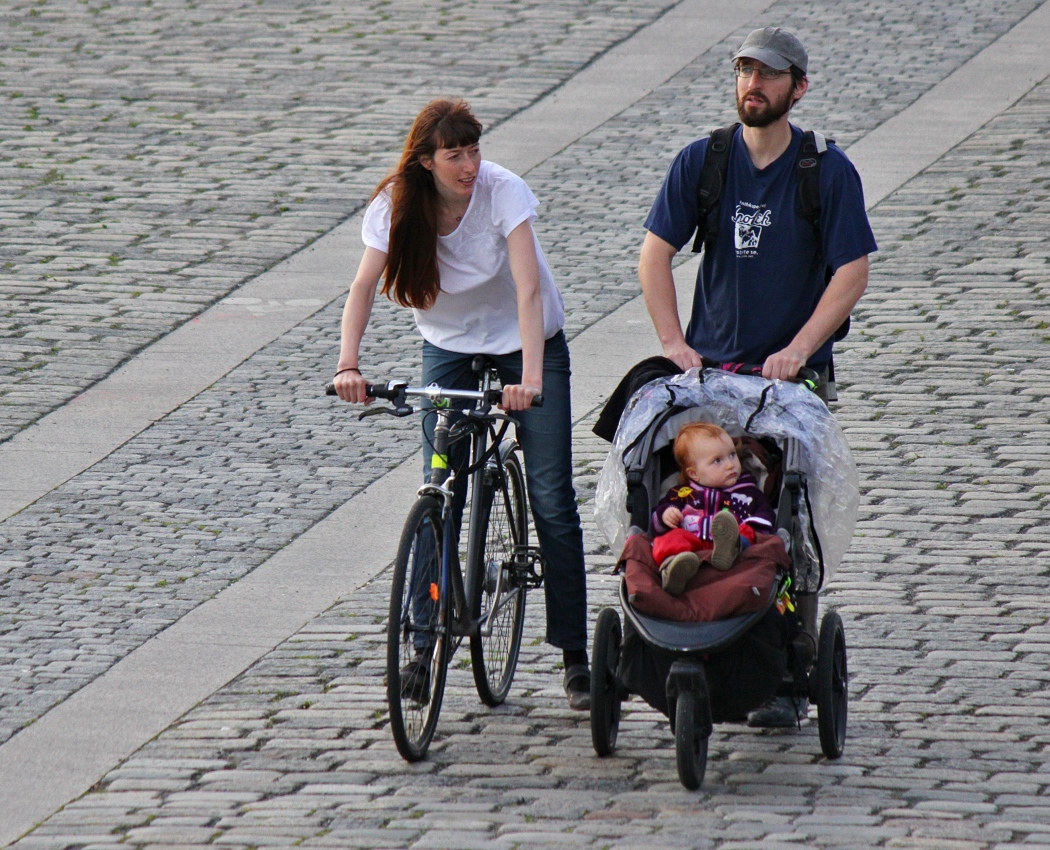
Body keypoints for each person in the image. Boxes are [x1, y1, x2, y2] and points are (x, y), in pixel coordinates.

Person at [638, 27, 877, 726]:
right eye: (745, 70)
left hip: (790, 381)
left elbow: (852, 272)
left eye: (769, 74)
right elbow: (654, 256)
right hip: (712, 375)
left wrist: (800, 349)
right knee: (681, 487)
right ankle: (685, 620)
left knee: (785, 509)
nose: (754, 84)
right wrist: (673, 344)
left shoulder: (825, 171)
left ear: (797, 88)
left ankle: (784, 664)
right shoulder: (704, 161)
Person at [331, 98, 591, 710]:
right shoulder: (396, 204)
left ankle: (575, 654)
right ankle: (422, 648)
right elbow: (363, 286)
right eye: (455, 155)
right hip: (448, 345)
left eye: (474, 151)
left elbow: (529, 289)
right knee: (438, 489)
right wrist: (348, 364)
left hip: (527, 345)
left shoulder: (503, 192)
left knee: (551, 496)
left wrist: (530, 380)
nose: (470, 165)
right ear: (426, 161)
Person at [650, 422, 775, 594]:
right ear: (694, 473)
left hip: (732, 551)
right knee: (668, 539)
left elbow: (766, 516)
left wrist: (750, 530)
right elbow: (657, 522)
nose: (730, 465)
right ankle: (674, 568)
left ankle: (732, 547)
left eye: (732, 455)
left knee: (749, 530)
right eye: (717, 461)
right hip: (692, 547)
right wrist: (666, 515)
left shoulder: (749, 493)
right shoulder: (682, 494)